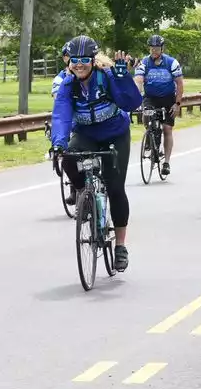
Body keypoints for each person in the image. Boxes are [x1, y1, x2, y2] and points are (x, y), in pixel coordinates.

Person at [50, 35, 142, 272]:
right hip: (86, 133)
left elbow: (131, 104)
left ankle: (120, 245)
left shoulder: (108, 77)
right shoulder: (68, 85)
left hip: (114, 134)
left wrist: (124, 80)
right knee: (68, 156)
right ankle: (84, 194)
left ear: (93, 60)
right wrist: (58, 143)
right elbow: (61, 115)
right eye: (74, 60)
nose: (78, 65)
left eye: (83, 60)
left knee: (115, 188)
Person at [133, 34, 184, 177]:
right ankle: (150, 136)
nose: (153, 51)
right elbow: (138, 79)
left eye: (156, 48)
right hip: (150, 97)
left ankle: (166, 162)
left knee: (167, 129)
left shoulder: (171, 63)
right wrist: (137, 96)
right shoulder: (144, 62)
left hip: (168, 98)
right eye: (151, 48)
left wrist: (177, 103)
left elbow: (179, 83)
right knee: (146, 115)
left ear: (162, 49)